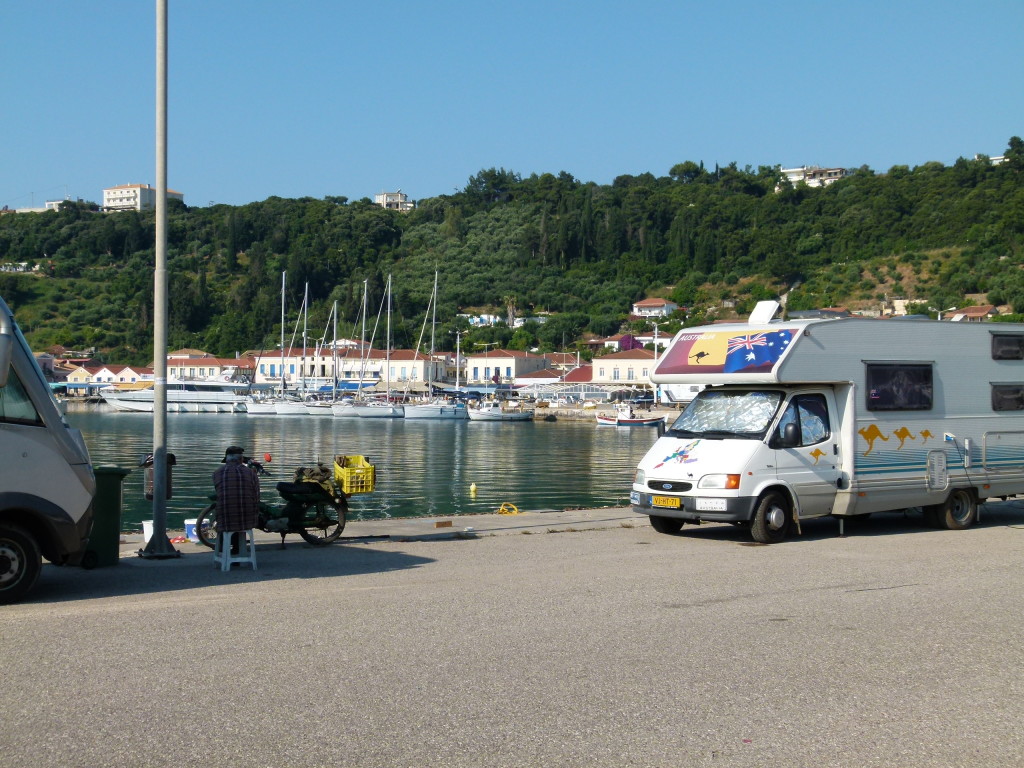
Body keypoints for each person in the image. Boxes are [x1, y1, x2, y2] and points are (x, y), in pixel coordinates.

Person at [212, 445, 261, 554]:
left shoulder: (216, 473)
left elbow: (219, 493)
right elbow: (256, 497)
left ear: (226, 460)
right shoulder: (251, 473)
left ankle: (223, 547)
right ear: (241, 459)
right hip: (247, 519)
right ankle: (237, 550)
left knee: (226, 514)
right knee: (240, 515)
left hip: (225, 518)